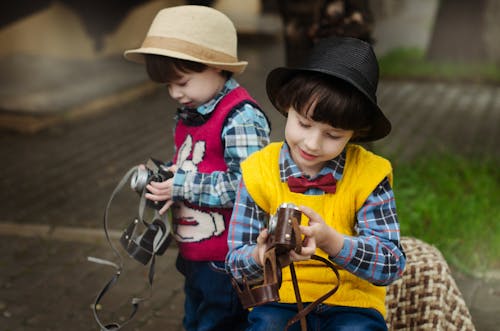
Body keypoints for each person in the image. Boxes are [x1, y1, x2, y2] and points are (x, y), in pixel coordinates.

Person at [226, 36, 406, 331]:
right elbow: (234, 264)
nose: (312, 143)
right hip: (280, 298)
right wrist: (261, 254)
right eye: (304, 124)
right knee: (268, 326)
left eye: (333, 135)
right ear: (287, 106)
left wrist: (330, 241)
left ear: (355, 133)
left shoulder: (370, 173)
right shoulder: (258, 170)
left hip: (352, 301)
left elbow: (391, 265)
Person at [124, 5, 271, 331]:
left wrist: (182, 186)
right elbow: (194, 166)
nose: (175, 93)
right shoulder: (193, 109)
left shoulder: (241, 117)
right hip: (195, 252)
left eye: (182, 82)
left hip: (227, 258)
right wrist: (162, 175)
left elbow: (250, 186)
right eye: (168, 86)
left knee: (218, 322)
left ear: (218, 67)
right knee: (195, 318)